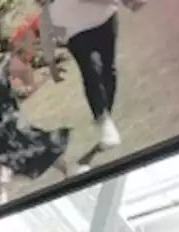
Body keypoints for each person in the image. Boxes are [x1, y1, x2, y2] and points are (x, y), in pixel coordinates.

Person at [0, 32, 75, 200]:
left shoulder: (6, 61)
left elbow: (26, 74)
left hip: (9, 117)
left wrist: (29, 86)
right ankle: (2, 199)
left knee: (32, 143)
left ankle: (64, 167)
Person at [38, 0, 146, 150]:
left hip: (104, 18)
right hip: (75, 32)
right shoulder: (49, 9)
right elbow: (45, 29)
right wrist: (52, 65)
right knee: (91, 70)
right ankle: (103, 119)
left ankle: (104, 115)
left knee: (109, 70)